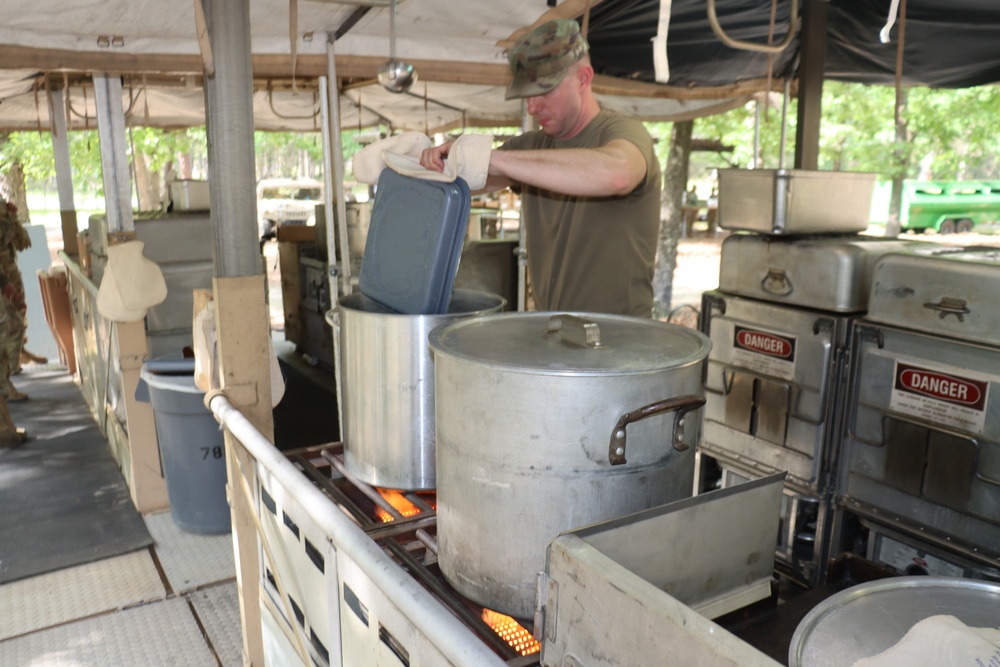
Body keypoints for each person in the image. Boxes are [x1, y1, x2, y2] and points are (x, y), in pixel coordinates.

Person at [420, 19, 661, 317]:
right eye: (527, 95)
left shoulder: (623, 132)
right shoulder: (531, 147)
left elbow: (618, 174)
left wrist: (489, 158)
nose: (532, 108)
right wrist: (423, 161)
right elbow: (456, 185)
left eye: (544, 91)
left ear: (583, 79)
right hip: (554, 332)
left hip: (623, 342)